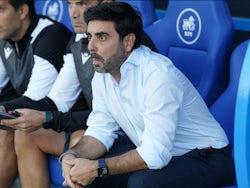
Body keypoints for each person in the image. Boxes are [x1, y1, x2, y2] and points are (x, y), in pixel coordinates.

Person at [59, 2, 236, 188]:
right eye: (89, 37)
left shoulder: (158, 74)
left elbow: (154, 155)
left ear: (128, 42)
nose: (91, 46)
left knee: (142, 182)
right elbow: (100, 130)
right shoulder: (103, 73)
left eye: (102, 37)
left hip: (208, 157)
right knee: (84, 172)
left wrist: (97, 167)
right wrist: (72, 156)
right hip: (164, 154)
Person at [0, 0, 157, 187]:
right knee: (27, 134)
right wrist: (9, 109)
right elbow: (57, 101)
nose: (74, 13)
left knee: (80, 140)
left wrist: (47, 118)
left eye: (83, 4)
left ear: (105, 2)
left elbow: (117, 115)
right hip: (101, 125)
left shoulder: (123, 43)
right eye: (70, 4)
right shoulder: (77, 40)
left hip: (133, 134)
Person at [0, 0, 72, 187]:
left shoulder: (49, 35)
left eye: (1, 10)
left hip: (67, 119)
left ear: (22, 11)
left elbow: (35, 100)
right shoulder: (5, 37)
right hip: (42, 115)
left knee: (9, 131)